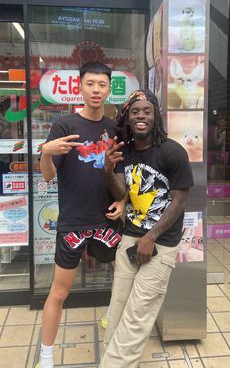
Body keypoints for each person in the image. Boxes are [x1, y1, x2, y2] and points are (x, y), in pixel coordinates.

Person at [37, 62, 125, 368]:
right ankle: (46, 357)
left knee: (124, 277)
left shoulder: (115, 129)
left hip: (107, 220)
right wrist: (46, 152)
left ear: (108, 88)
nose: (96, 90)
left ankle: (112, 320)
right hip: (73, 221)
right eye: (90, 84)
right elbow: (48, 176)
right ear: (80, 87)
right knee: (59, 293)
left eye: (102, 84)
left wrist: (124, 203)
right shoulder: (64, 125)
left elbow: (123, 176)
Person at [99, 90, 194, 368]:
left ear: (156, 116)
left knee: (138, 313)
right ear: (127, 118)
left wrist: (151, 236)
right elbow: (122, 192)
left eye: (147, 111)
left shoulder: (173, 152)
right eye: (135, 112)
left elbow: (179, 201)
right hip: (131, 236)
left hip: (161, 242)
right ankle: (112, 358)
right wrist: (107, 170)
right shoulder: (125, 151)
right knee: (118, 306)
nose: (141, 116)